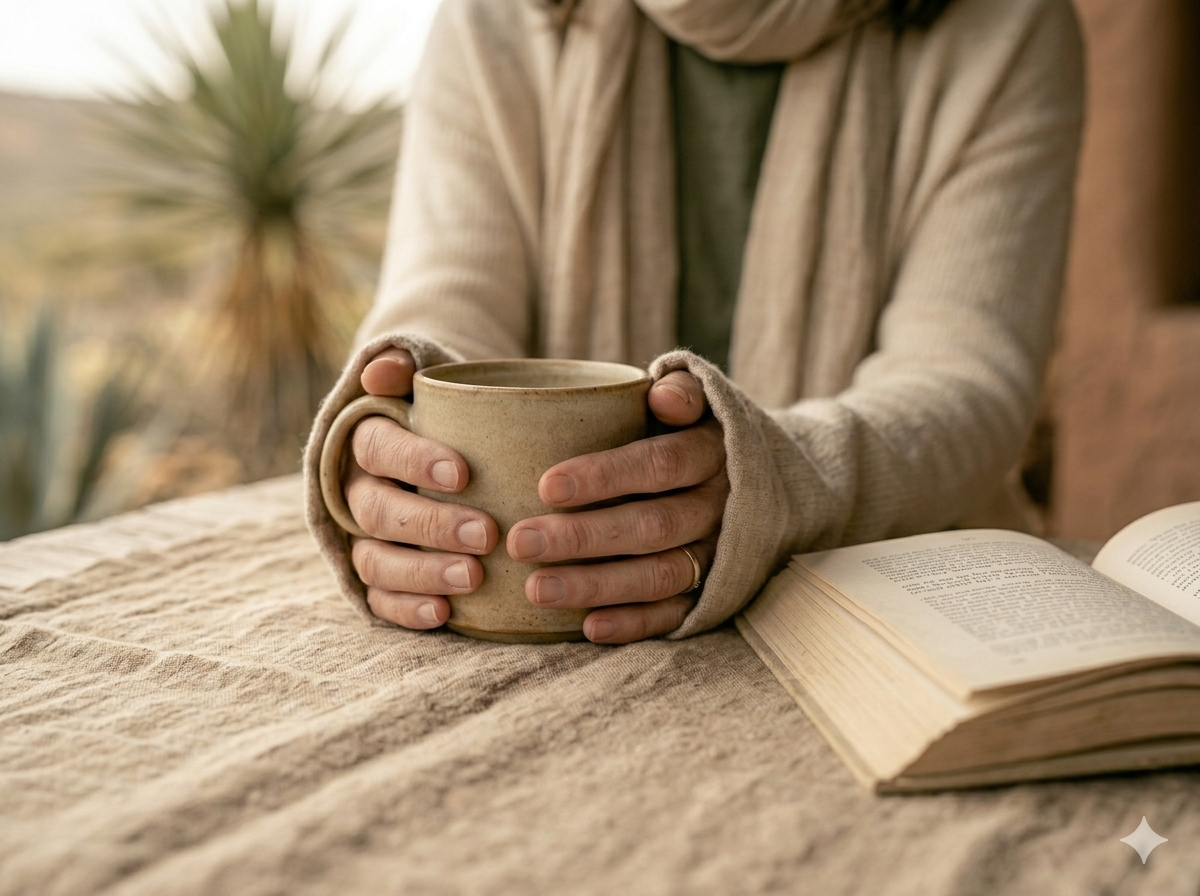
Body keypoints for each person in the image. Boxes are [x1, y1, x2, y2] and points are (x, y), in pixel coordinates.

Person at [304, 0, 1084, 645]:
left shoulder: (1006, 25)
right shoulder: (500, 17)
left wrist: (770, 486)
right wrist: (406, 441)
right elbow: (447, 295)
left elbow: (967, 378)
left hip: (897, 618)